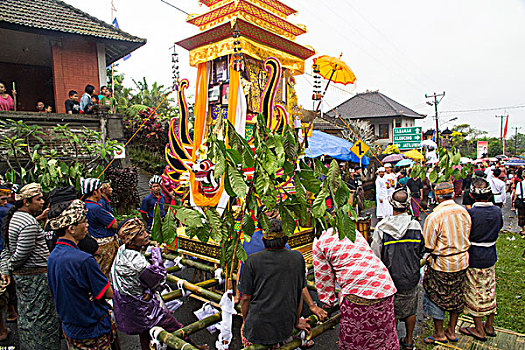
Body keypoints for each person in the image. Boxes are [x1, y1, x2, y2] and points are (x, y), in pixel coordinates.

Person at [110, 218, 207, 350]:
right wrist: (157, 255)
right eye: (140, 234)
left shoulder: (121, 251)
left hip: (128, 309)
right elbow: (159, 279)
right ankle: (193, 347)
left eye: (144, 231)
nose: (146, 235)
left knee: (145, 334)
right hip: (141, 309)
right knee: (175, 327)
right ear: (130, 240)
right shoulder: (139, 263)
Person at [47, 199, 119, 349]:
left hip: (70, 328)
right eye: (83, 221)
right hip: (91, 329)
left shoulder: (52, 257)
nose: (87, 225)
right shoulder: (84, 260)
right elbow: (107, 292)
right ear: (71, 228)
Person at [314, 226, 399, 350]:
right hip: (384, 284)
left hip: (358, 293)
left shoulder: (320, 241)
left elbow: (323, 278)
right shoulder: (351, 230)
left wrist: (328, 302)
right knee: (383, 337)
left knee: (355, 342)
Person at [0, 183, 60, 349]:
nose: (42, 202)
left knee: (29, 316)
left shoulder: (17, 217)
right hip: (35, 278)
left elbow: (7, 249)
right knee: (41, 320)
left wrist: (7, 268)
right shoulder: (28, 224)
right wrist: (10, 268)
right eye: (38, 199)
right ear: (26, 202)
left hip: (27, 276)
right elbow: (19, 255)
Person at [238, 219, 310, 348]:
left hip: (258, 329)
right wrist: (296, 320)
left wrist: (245, 322)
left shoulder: (252, 261)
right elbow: (299, 293)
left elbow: (245, 299)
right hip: (286, 325)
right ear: (286, 239)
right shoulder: (297, 257)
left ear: (263, 239)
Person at [371, 188, 425, 350]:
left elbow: (376, 256)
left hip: (389, 279)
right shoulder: (415, 226)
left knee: (391, 312)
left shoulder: (382, 227)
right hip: (411, 277)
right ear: (408, 204)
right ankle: (408, 341)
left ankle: (392, 342)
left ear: (391, 204)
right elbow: (421, 251)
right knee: (410, 310)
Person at [422, 182, 471, 345]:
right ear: (452, 195)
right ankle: (451, 329)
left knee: (436, 296)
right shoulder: (464, 212)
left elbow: (428, 246)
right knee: (456, 295)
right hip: (462, 262)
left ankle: (439, 332)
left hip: (442, 263)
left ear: (437, 196)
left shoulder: (434, 216)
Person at [458, 178, 502, 342]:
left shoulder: (470, 214)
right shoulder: (497, 211)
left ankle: (478, 328)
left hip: (475, 255)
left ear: (471, 195)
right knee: (490, 289)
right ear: (490, 194)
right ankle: (489, 326)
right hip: (490, 254)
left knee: (474, 291)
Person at [82, 178, 118, 278]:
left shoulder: (84, 206)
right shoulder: (96, 208)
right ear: (94, 193)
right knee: (105, 271)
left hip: (93, 240)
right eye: (99, 190)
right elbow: (113, 224)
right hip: (104, 243)